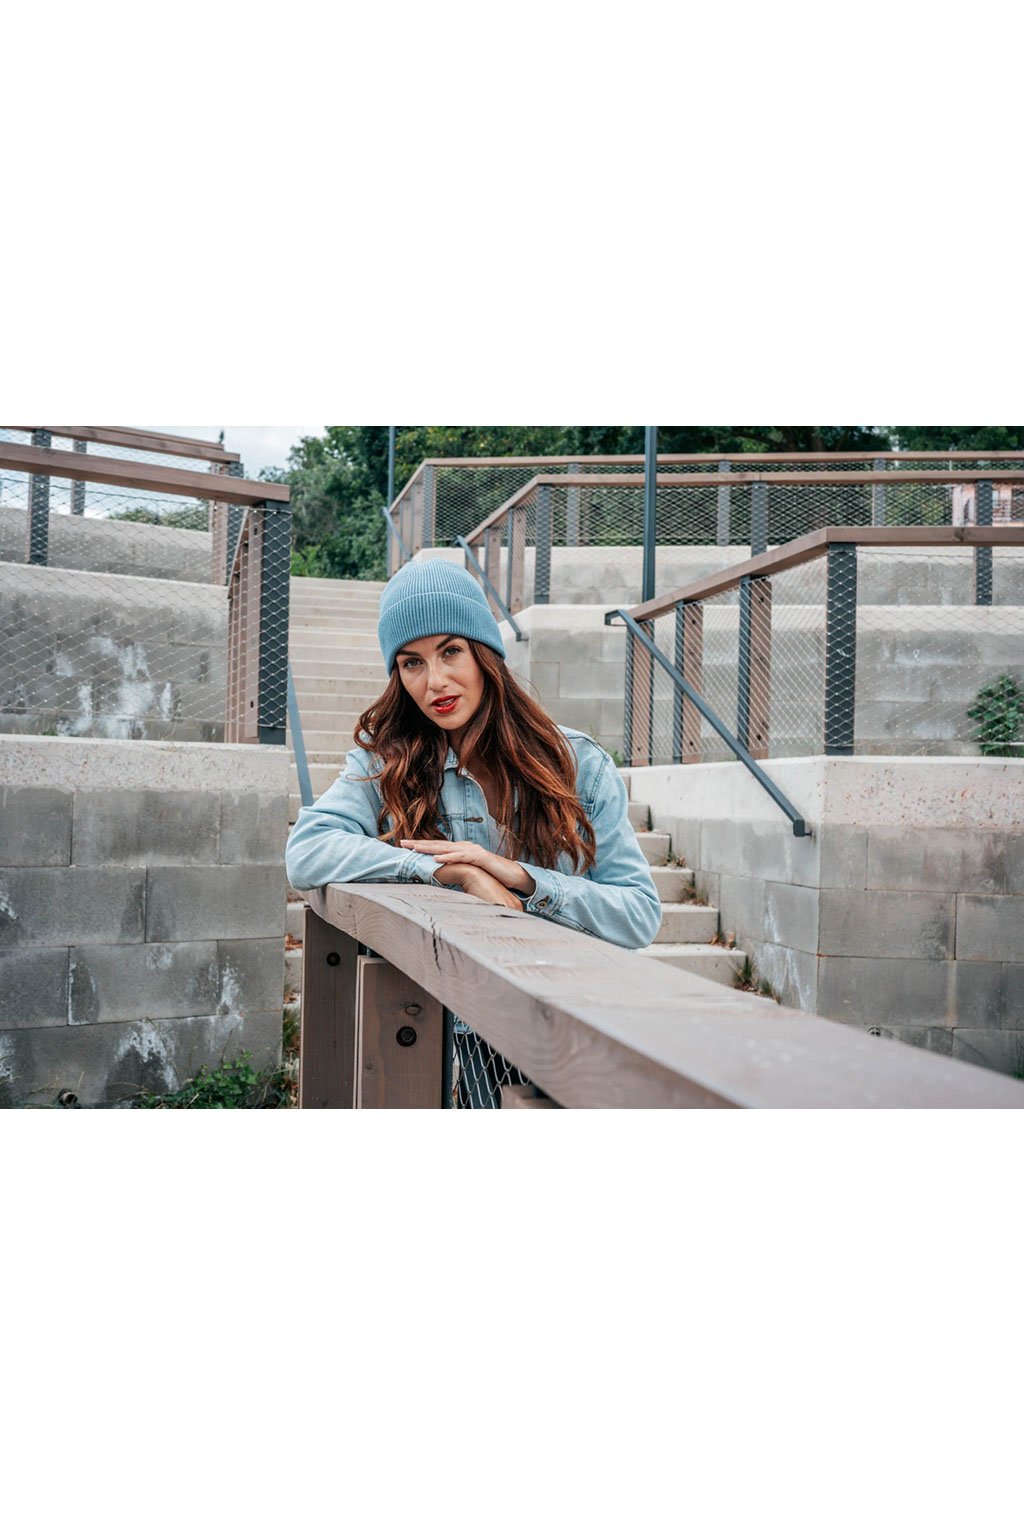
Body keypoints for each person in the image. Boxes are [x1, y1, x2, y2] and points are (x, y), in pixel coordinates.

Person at [285, 558, 662, 1105]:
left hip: (564, 1027)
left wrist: (521, 879)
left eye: (451, 652)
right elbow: (307, 851)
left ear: (485, 653)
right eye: (412, 662)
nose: (434, 681)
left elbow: (638, 915)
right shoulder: (386, 764)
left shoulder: (577, 764)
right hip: (440, 1035)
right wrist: (448, 871)